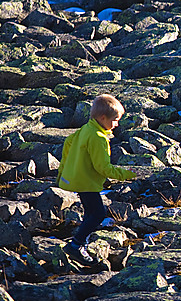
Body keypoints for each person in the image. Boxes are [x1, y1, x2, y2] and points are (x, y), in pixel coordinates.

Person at [58, 94, 136, 265]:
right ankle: (76, 244)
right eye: (115, 120)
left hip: (79, 178)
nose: (116, 125)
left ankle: (81, 244)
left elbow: (69, 142)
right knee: (99, 213)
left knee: (90, 213)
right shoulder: (99, 138)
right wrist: (128, 174)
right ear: (103, 118)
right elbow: (104, 168)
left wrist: (63, 171)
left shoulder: (87, 128)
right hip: (87, 182)